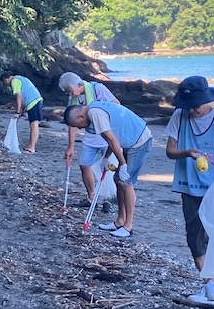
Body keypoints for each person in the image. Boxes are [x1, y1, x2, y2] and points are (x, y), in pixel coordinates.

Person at [165, 75, 214, 305]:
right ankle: (209, 284)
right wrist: (188, 153)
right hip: (189, 185)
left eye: (195, 105)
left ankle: (211, 284)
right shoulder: (179, 116)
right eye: (187, 106)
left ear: (206, 100)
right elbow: (170, 151)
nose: (192, 110)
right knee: (194, 236)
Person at [64, 101, 152, 238]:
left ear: (81, 117)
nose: (80, 129)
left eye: (77, 126)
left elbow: (112, 140)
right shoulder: (94, 110)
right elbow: (112, 136)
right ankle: (120, 221)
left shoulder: (95, 113)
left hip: (139, 142)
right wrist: (106, 158)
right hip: (130, 142)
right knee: (118, 180)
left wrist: (122, 164)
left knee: (126, 182)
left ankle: (128, 227)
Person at [59, 71, 120, 211]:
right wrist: (70, 146)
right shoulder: (74, 99)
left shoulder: (97, 89)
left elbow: (116, 104)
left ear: (79, 85)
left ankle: (107, 199)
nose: (70, 94)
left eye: (70, 91)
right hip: (91, 136)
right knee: (84, 165)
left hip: (106, 135)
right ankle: (91, 197)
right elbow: (73, 123)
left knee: (107, 168)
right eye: (67, 92)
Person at [0, 71, 43, 153]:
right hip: (36, 100)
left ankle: (32, 147)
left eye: (4, 83)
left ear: (5, 80)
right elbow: (26, 92)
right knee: (34, 125)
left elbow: (19, 96)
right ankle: (30, 145)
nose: (6, 85)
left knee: (34, 125)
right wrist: (22, 111)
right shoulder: (19, 78)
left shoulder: (14, 82)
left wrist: (17, 112)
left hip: (34, 102)